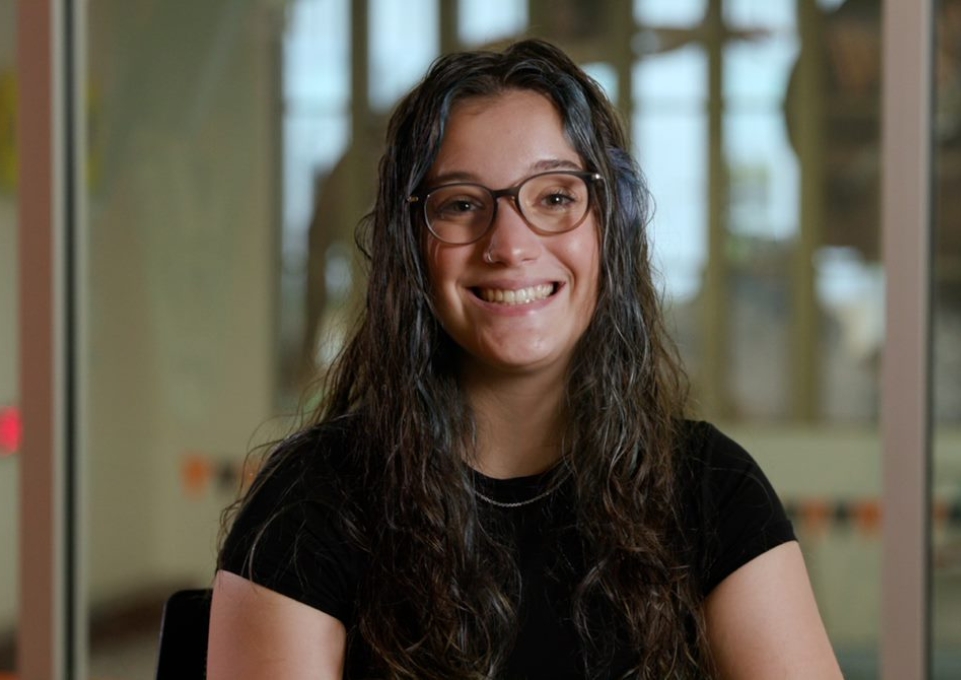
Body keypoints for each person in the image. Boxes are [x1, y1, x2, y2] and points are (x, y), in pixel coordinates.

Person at [208, 39, 843, 679]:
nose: (510, 245)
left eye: (555, 198)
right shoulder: (312, 503)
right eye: (461, 204)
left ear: (609, 229)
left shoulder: (711, 491)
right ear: (411, 248)